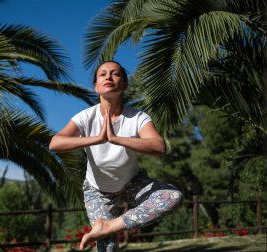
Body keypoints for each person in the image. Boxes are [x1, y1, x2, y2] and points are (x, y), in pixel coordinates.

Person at [49, 61, 182, 251]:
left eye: (115, 74)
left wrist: (117, 139)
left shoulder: (138, 117)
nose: (108, 77)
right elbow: (55, 143)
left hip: (133, 183)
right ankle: (106, 229)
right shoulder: (85, 117)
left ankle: (109, 226)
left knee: (172, 196)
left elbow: (158, 146)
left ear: (125, 84)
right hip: (98, 190)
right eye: (102, 74)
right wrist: (96, 139)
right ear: (96, 86)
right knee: (108, 246)